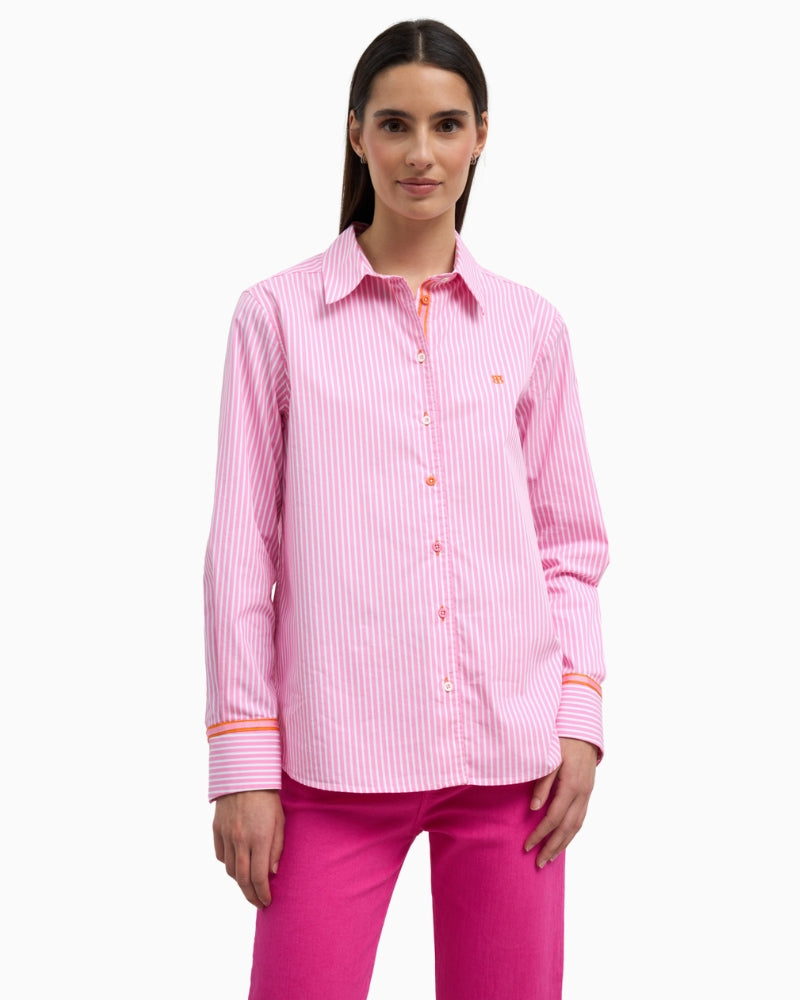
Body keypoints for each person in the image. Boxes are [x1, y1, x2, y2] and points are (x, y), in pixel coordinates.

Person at [204, 18, 609, 1000]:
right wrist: (243, 764)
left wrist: (578, 719)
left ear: (480, 137)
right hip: (332, 759)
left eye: (445, 124)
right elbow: (240, 552)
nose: (420, 152)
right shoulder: (276, 317)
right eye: (394, 124)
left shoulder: (530, 326)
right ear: (356, 135)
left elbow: (567, 545)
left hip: (511, 761)